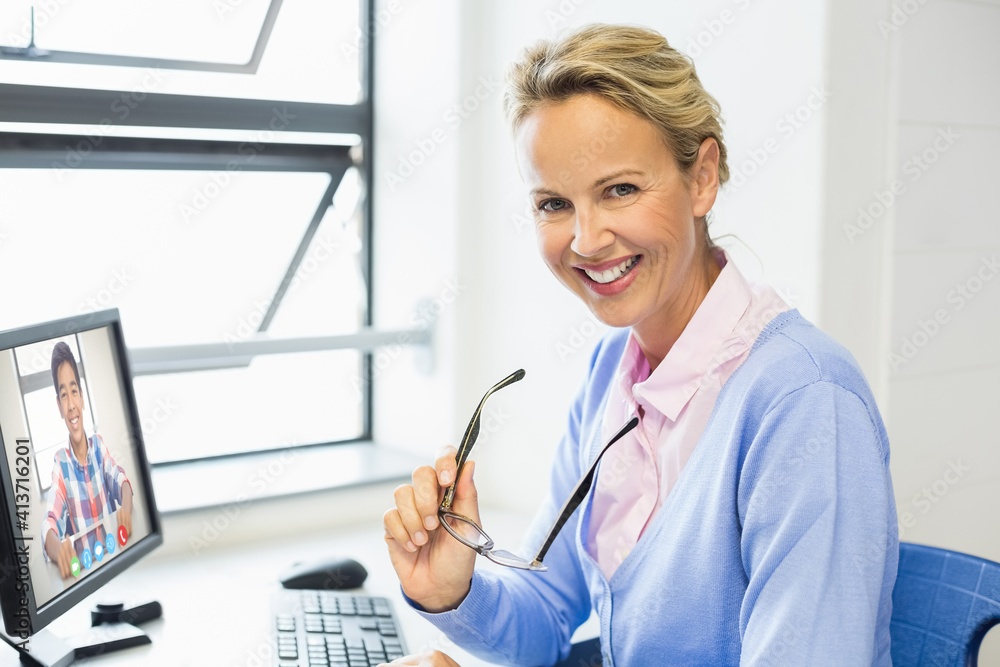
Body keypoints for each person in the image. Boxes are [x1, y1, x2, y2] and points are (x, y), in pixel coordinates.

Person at [382, 24, 898, 666]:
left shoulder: (807, 404)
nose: (587, 240)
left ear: (702, 177)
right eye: (553, 203)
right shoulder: (613, 370)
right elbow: (547, 616)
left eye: (619, 189)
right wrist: (452, 590)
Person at [42, 341, 134, 580]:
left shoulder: (98, 447)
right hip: (87, 577)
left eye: (74, 392)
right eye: (64, 395)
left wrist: (125, 508)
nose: (71, 405)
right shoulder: (60, 465)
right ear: (59, 407)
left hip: (117, 568)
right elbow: (50, 522)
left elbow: (121, 479)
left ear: (82, 398)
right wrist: (57, 547)